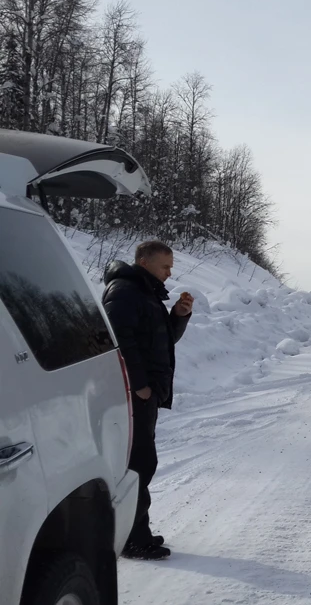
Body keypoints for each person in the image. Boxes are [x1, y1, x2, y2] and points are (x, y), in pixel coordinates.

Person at [102, 240, 193, 560]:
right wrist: (139, 386)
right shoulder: (125, 291)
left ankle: (135, 532)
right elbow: (118, 340)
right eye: (165, 266)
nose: (170, 273)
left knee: (140, 463)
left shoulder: (145, 292)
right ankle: (131, 538)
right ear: (144, 262)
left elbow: (158, 340)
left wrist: (178, 316)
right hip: (131, 395)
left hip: (144, 394)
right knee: (138, 464)